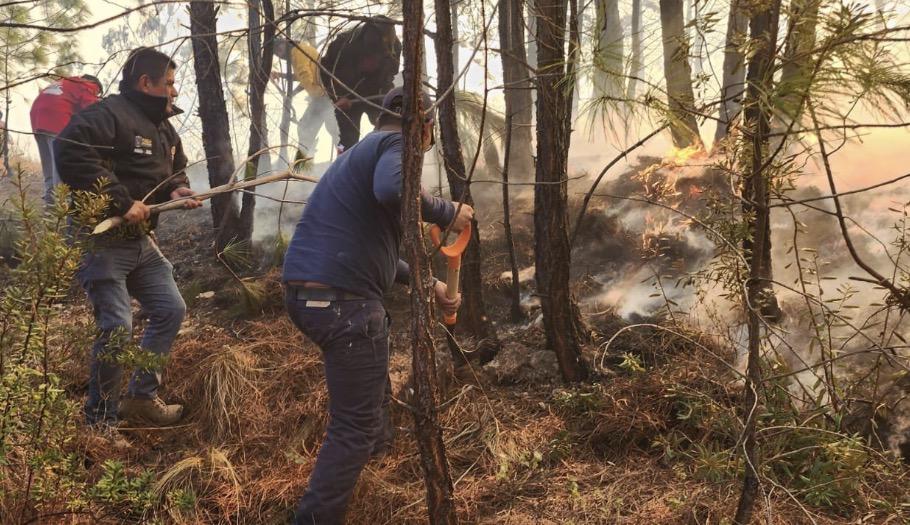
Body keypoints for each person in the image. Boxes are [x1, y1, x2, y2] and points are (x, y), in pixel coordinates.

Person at [282, 86, 473, 524]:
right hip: (342, 302)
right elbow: (392, 191)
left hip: (312, 294)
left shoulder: (364, 149)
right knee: (353, 425)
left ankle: (375, 463)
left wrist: (428, 286)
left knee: (367, 376)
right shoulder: (394, 144)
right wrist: (446, 211)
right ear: (423, 124)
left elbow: (377, 254)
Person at [55, 47, 201, 447]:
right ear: (145, 83)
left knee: (171, 308)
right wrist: (121, 202)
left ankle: (140, 398)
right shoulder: (109, 115)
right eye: (168, 83)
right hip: (101, 240)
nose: (173, 91)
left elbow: (174, 168)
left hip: (140, 242)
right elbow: (70, 149)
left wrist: (178, 188)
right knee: (117, 326)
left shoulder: (164, 127)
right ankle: (98, 425)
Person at [320, 15, 401, 152]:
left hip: (375, 92)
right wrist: (337, 97)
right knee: (347, 140)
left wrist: (384, 98)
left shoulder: (395, 47)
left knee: (387, 129)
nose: (372, 62)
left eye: (377, 58)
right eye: (369, 57)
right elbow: (324, 70)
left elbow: (391, 73)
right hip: (346, 95)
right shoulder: (343, 43)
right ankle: (342, 161)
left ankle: (380, 162)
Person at [30, 74, 102, 205]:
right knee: (60, 163)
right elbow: (92, 110)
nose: (95, 93)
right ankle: (60, 204)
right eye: (97, 92)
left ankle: (50, 200)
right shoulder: (87, 84)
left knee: (48, 163)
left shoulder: (64, 81)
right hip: (56, 117)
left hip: (37, 117)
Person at [272, 38, 340, 156]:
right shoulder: (298, 52)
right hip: (322, 96)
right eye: (276, 53)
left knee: (330, 130)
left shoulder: (298, 52)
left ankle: (306, 160)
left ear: (285, 43)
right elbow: (301, 77)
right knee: (330, 131)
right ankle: (309, 158)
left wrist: (315, 95)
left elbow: (305, 76)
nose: (279, 53)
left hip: (323, 97)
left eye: (279, 48)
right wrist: (282, 77)